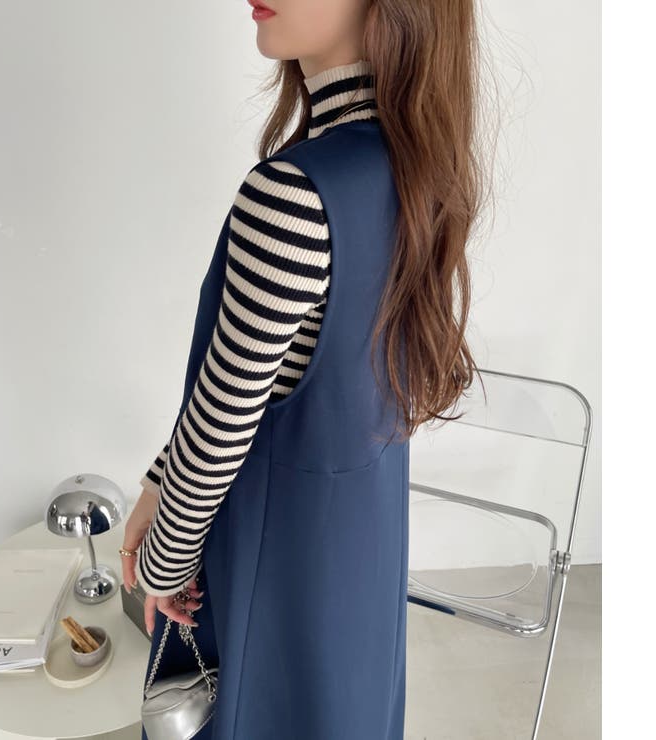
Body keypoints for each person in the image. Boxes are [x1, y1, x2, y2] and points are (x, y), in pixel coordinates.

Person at [120, 1, 489, 738]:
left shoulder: (293, 194)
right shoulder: (416, 168)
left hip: (279, 570)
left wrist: (161, 566)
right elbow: (262, 383)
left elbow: (223, 423)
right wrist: (160, 481)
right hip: (360, 560)